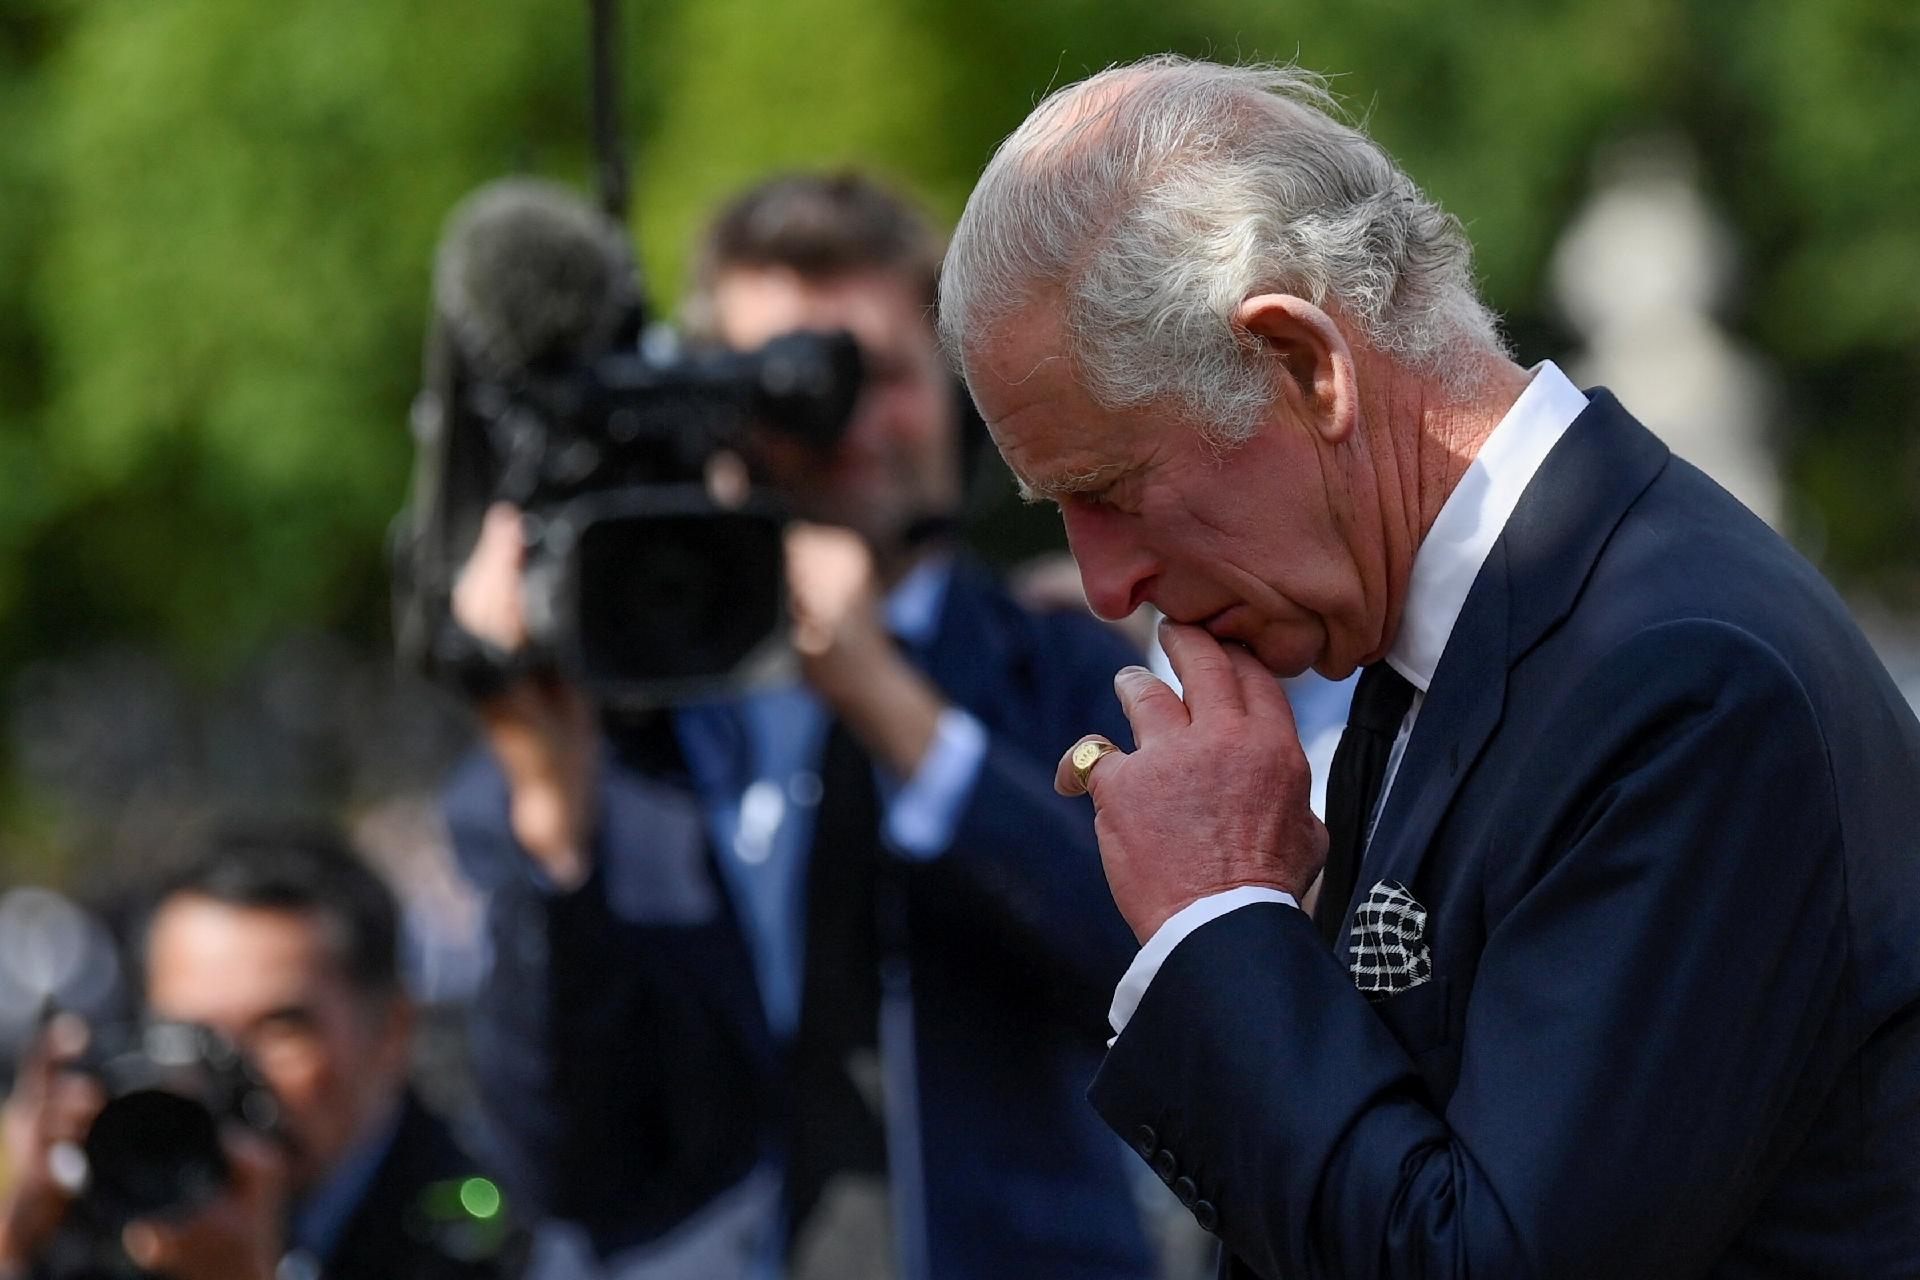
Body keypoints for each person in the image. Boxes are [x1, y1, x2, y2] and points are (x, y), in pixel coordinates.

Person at [941, 55, 1920, 1280]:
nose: (1103, 583)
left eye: (1113, 488)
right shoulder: (1476, 633)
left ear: (1305, 364)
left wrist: (1218, 919)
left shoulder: (1680, 677)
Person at [443, 172, 1157, 1278]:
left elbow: (1147, 985)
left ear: (960, 394)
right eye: (781, 380)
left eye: (878, 374)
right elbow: (556, 1159)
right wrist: (552, 817)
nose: (842, 423)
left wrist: (893, 708)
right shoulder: (614, 717)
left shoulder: (1062, 669)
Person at [0, 824, 525, 1280]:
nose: (229, 1072)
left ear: (392, 1031)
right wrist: (17, 1241)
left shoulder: (489, 1220)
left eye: (279, 1029)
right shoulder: (119, 1202)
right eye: (190, 1037)